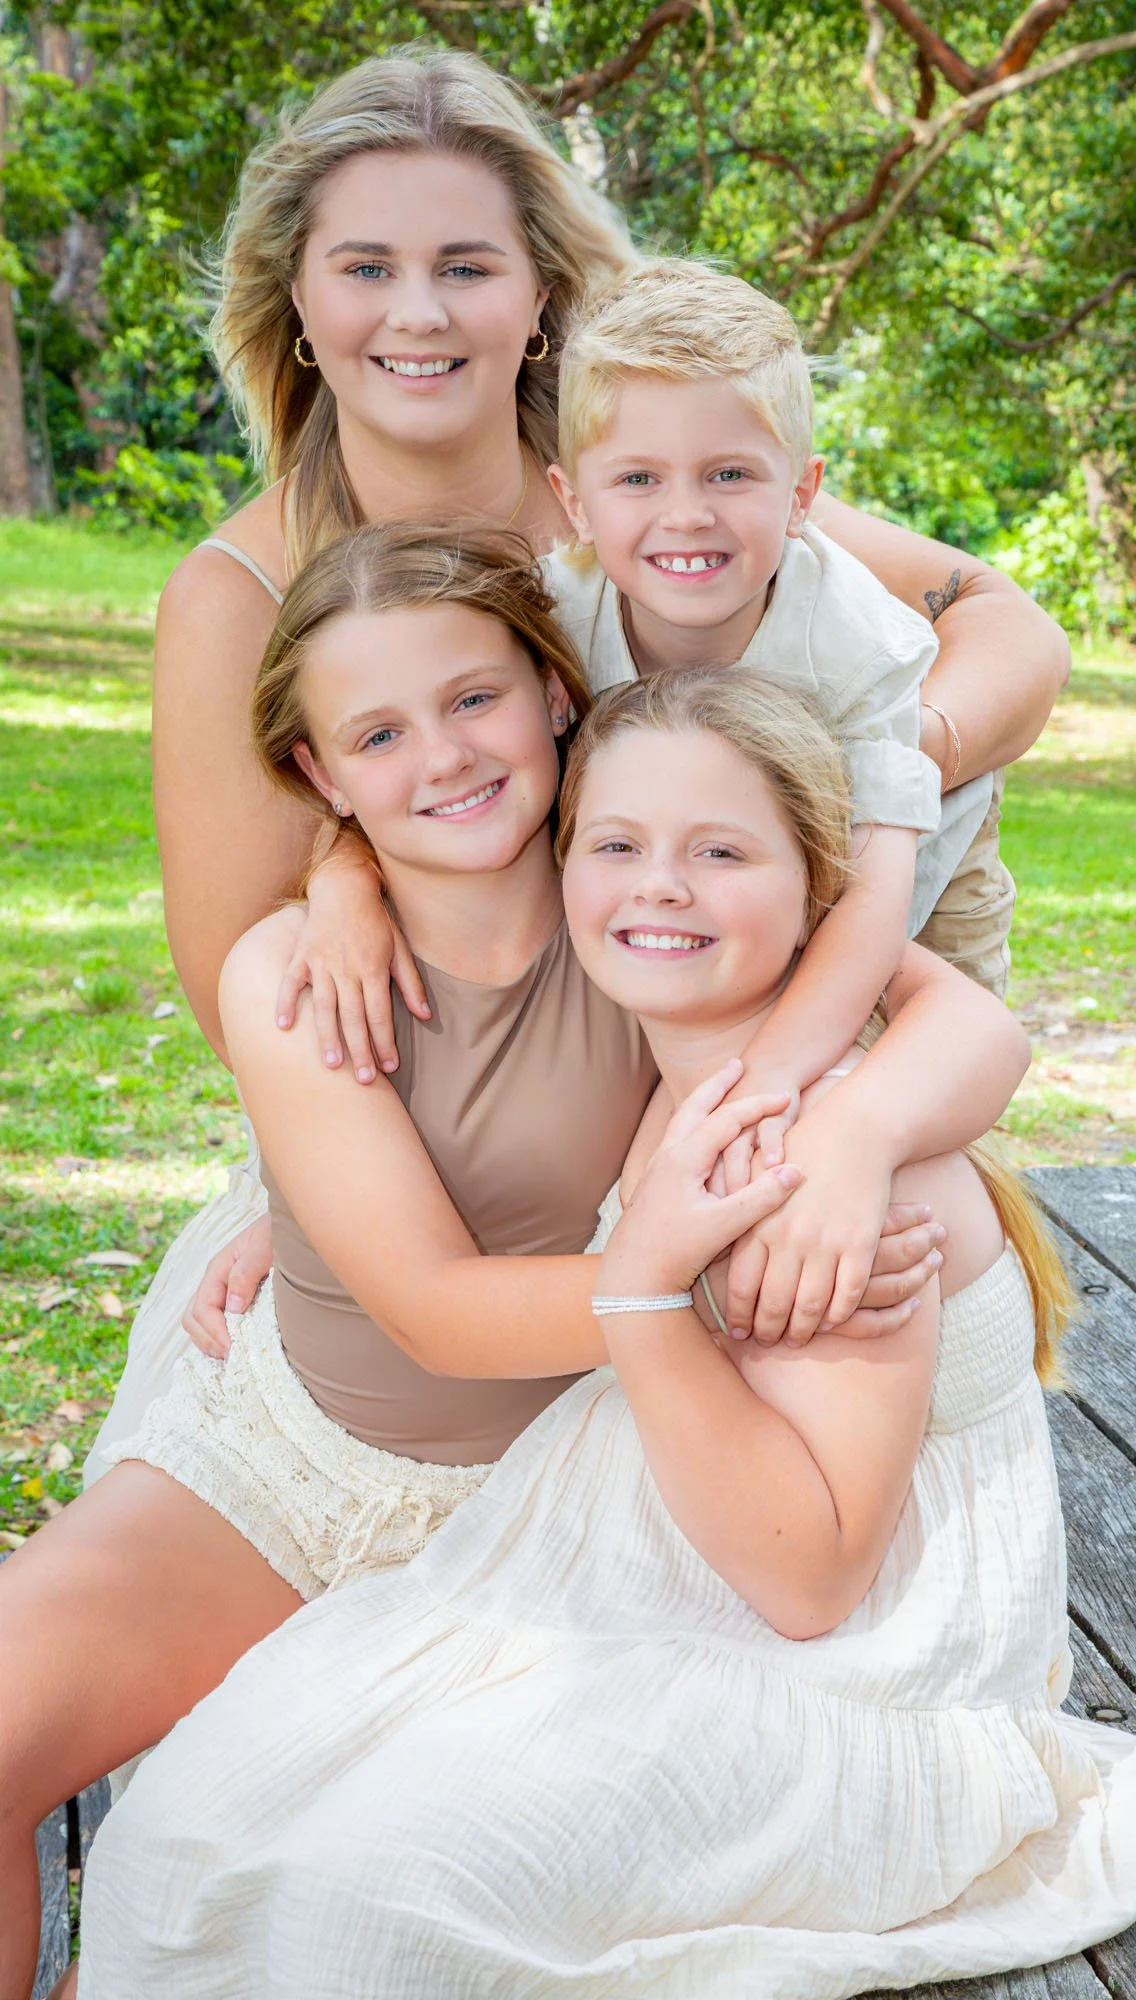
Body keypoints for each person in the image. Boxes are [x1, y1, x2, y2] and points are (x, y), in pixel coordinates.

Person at [0, 528, 1031, 2000]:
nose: (441, 755)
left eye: (474, 700)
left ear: (557, 694)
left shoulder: (638, 882)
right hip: (302, 1469)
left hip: (565, 1491)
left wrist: (855, 1141)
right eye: (376, 735)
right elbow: (425, 1305)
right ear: (317, 778)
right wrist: (690, 1285)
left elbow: (947, 1020)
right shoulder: (299, 970)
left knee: (335, 1886)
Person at [85, 38, 1068, 1469]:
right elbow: (256, 988)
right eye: (364, 266)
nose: (416, 312)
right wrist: (347, 880)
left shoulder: (650, 498)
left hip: (772, 1056)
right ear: (294, 297)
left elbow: (1009, 629)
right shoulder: (238, 595)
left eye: (466, 266)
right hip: (456, 1174)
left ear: (541, 292)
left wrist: (865, 766)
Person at [545, 255, 997, 1179]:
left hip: (908, 873)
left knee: (894, 1099)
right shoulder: (551, 619)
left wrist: (759, 1091)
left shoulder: (858, 642)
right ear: (572, 502)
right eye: (636, 479)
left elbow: (872, 901)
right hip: (711, 874)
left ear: (800, 494)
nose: (685, 515)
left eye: (729, 475)